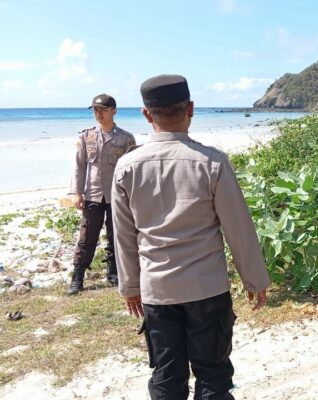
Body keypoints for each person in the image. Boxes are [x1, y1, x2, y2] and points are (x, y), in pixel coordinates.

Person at [111, 74, 270, 400]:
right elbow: (238, 228)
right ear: (191, 109)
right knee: (213, 376)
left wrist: (130, 287)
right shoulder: (211, 163)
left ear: (146, 114)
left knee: (166, 377)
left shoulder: (127, 167)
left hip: (157, 290)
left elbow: (124, 236)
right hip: (207, 288)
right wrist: (254, 279)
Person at [67, 94, 135, 295]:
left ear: (114, 110)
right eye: (95, 110)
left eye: (103, 110)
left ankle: (113, 272)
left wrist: (133, 195)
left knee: (117, 235)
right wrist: (77, 192)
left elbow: (131, 169)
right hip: (93, 194)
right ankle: (77, 277)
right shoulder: (86, 136)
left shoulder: (125, 138)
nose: (99, 114)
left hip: (117, 194)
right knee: (87, 236)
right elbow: (79, 166)